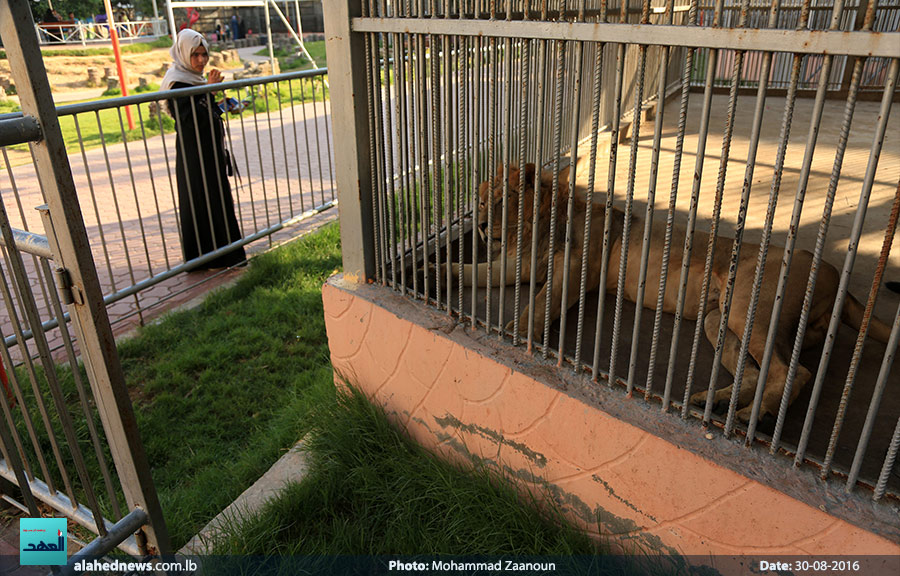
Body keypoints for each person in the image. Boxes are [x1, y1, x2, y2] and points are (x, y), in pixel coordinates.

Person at [162, 29, 246, 270]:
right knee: (200, 202)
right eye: (195, 55)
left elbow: (209, 114)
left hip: (211, 152)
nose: (201, 61)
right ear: (182, 54)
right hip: (194, 156)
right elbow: (189, 123)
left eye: (204, 54)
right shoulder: (177, 83)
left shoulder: (194, 81)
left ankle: (228, 255)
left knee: (219, 199)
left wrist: (223, 105)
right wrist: (209, 92)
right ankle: (204, 259)